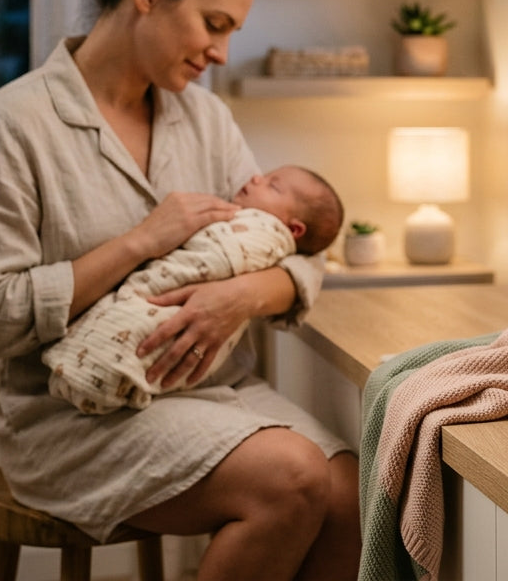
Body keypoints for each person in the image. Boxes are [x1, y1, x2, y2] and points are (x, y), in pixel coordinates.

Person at [0, 0, 360, 580]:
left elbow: (300, 251)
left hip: (215, 391)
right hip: (73, 416)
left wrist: (242, 294)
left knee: (355, 494)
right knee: (293, 479)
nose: (223, 52)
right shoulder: (13, 123)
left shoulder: (204, 120)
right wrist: (140, 241)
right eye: (213, 23)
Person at [43, 165, 344, 414]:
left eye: (271, 185)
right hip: (52, 405)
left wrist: (241, 295)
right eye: (265, 176)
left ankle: (101, 375)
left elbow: (308, 264)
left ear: (293, 230)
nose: (254, 178)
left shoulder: (262, 233)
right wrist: (145, 239)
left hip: (214, 376)